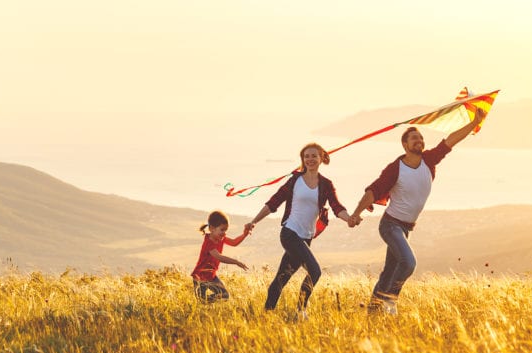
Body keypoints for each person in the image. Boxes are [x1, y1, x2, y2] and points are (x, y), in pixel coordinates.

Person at [350, 108, 488, 315]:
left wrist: (474, 122)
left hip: (405, 228)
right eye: (414, 138)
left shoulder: (429, 160)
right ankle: (390, 300)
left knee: (388, 273)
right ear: (405, 145)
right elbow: (373, 190)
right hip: (390, 226)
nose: (419, 141)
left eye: (421, 138)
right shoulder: (395, 168)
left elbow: (452, 140)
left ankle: (373, 313)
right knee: (408, 262)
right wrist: (356, 213)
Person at [245, 143, 356, 319]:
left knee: (283, 277)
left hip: (306, 238)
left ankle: (265, 314)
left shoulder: (326, 184)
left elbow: (337, 207)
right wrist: (254, 222)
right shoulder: (294, 180)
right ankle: (300, 311)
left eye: (314, 156)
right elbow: (274, 202)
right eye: (306, 156)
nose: (310, 159)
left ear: (321, 158)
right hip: (289, 233)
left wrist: (349, 219)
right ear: (302, 160)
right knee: (315, 271)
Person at [191, 210, 250, 303]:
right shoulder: (208, 243)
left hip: (211, 276)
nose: (224, 233)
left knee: (224, 295)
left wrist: (244, 235)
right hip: (200, 278)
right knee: (202, 301)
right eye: (222, 230)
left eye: (226, 230)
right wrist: (236, 262)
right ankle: (204, 305)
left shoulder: (221, 238)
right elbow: (219, 257)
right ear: (211, 228)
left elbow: (234, 242)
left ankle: (206, 305)